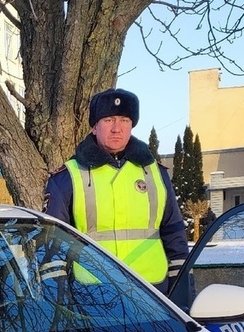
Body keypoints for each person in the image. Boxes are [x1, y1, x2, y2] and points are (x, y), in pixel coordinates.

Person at [43, 88, 190, 298]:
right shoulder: (68, 177)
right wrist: (57, 300)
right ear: (94, 127)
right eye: (109, 120)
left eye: (124, 120)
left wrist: (181, 292)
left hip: (154, 294)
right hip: (92, 295)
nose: (116, 128)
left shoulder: (155, 173)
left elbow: (174, 234)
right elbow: (53, 243)